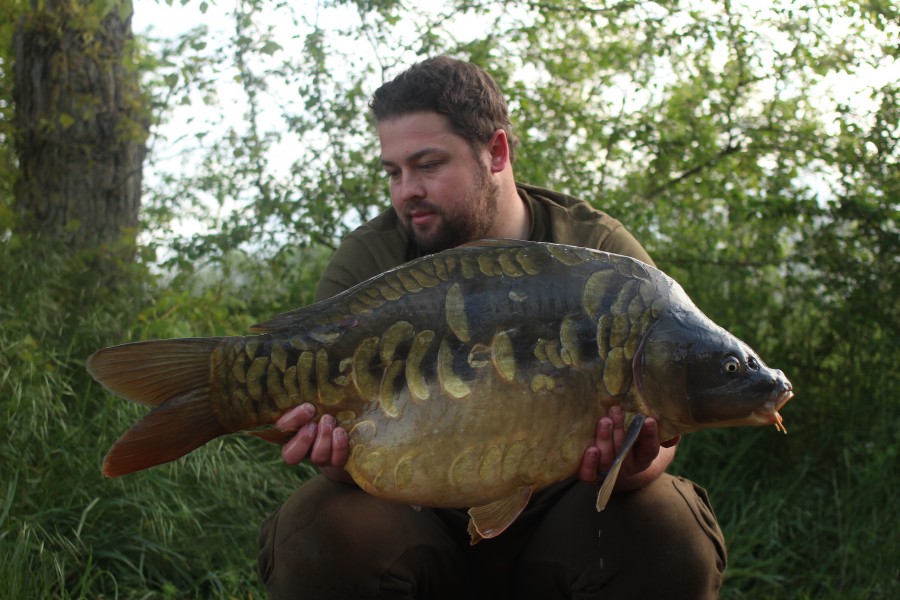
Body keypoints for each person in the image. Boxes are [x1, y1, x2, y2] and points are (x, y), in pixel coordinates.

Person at [257, 55, 726, 599]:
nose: (406, 190)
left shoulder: (597, 254)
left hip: (566, 510)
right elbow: (339, 450)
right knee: (316, 526)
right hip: (414, 514)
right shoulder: (370, 261)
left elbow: (663, 426)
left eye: (428, 164)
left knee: (670, 525)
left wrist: (636, 462)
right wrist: (331, 455)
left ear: (496, 152)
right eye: (393, 171)